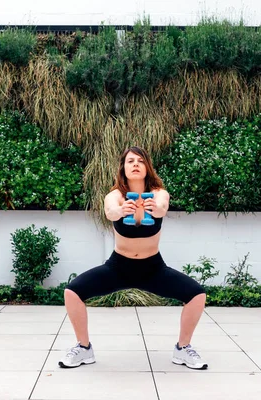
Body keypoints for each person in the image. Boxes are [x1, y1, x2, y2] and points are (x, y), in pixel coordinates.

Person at [59, 146, 208, 370]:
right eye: (130, 161)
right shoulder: (116, 196)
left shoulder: (158, 193)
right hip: (119, 266)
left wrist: (155, 209)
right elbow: (110, 211)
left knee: (197, 295)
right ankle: (84, 348)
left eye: (140, 160)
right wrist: (120, 211)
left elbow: (162, 208)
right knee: (72, 292)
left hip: (153, 268)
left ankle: (183, 348)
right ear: (124, 168)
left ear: (147, 167)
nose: (135, 164)